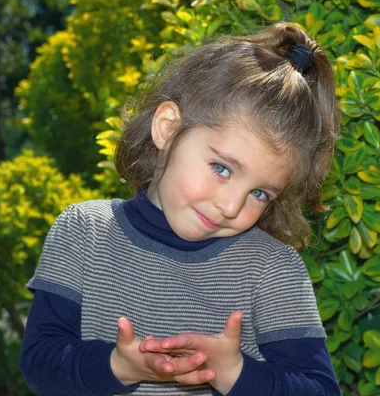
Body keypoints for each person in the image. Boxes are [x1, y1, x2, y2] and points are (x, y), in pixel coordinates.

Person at [19, 22, 341, 395]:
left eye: (260, 194)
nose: (231, 205)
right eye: (222, 168)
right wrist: (116, 366)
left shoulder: (272, 269)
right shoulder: (83, 233)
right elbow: (40, 363)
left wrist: (234, 373)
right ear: (167, 128)